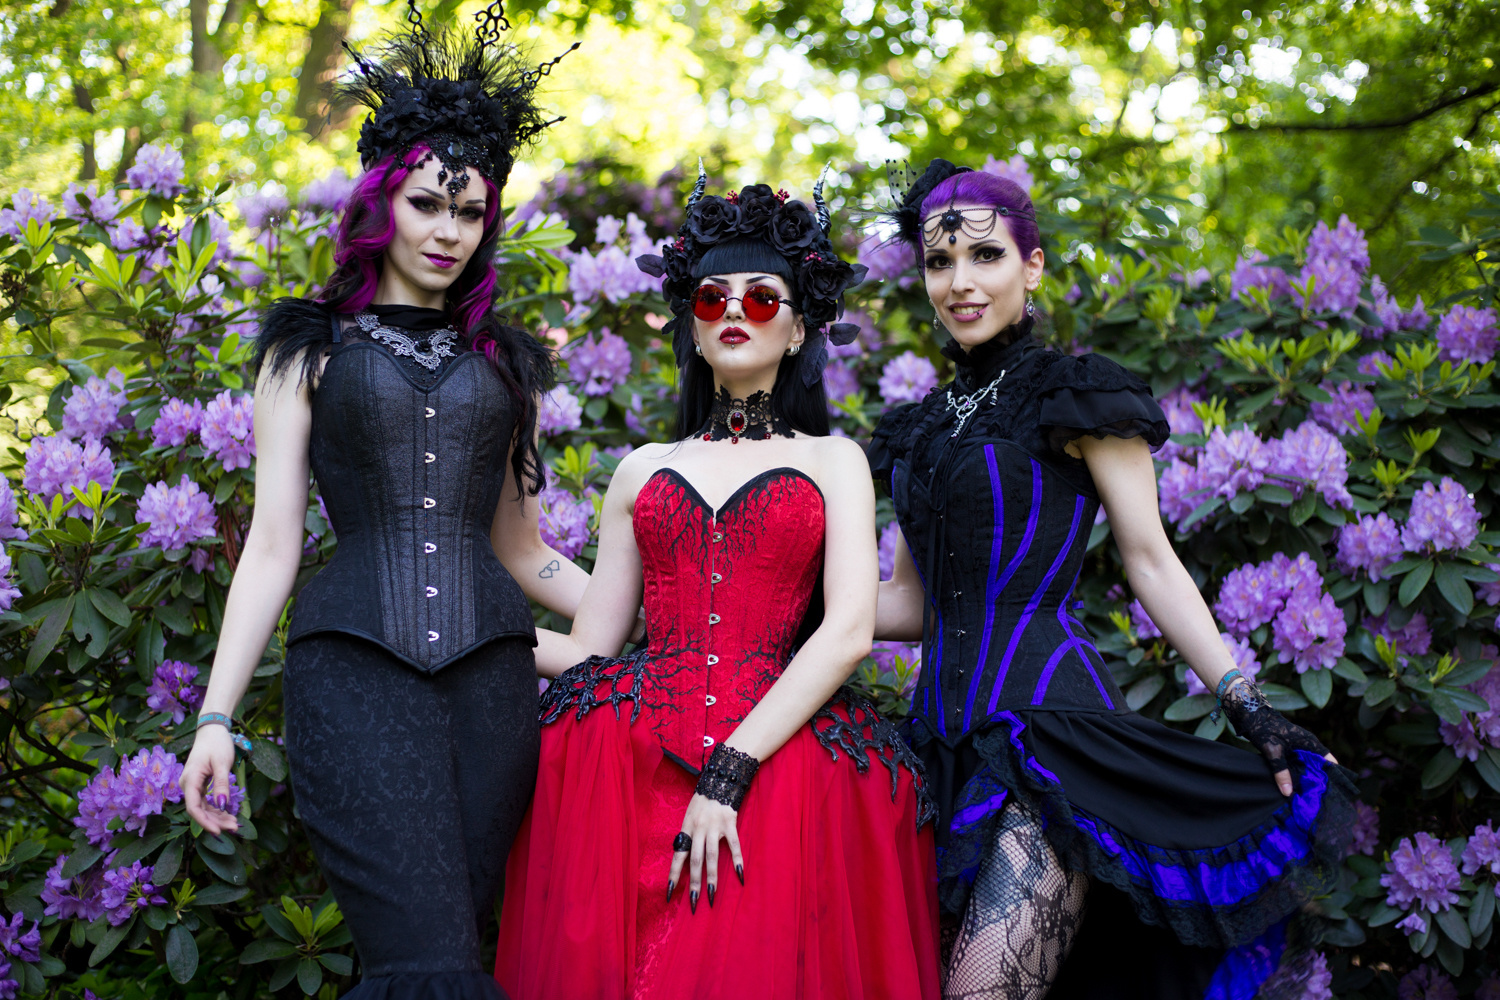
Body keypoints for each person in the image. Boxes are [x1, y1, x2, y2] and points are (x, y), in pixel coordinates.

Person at [867, 159, 1358, 1000]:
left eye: (985, 256)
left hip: (1051, 752)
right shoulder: (918, 430)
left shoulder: (1076, 395)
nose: (960, 282)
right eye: (938, 262)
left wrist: (1245, 704)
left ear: (1033, 265)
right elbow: (912, 603)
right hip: (937, 759)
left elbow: (1150, 558)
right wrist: (774, 600)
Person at [178, 5, 585, 996]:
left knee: (451, 952)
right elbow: (272, 545)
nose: (448, 230)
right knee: (426, 961)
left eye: (469, 212)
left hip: (492, 694)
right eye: (427, 203)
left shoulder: (504, 363)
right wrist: (215, 716)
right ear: (382, 202)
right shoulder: (306, 350)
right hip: (353, 681)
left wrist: (668, 610)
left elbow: (524, 554)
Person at [494, 168, 941, 1000]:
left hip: (780, 768)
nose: (735, 310)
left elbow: (847, 630)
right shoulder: (641, 469)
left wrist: (731, 771)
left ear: (799, 329)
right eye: (712, 298)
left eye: (762, 298)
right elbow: (594, 645)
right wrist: (481, 636)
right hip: (625, 767)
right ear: (693, 327)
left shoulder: (833, 461)